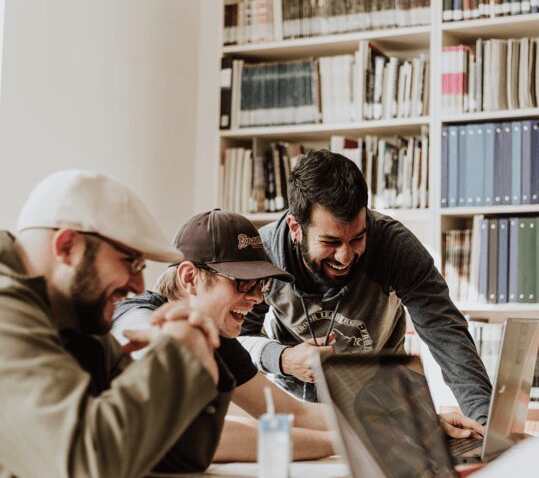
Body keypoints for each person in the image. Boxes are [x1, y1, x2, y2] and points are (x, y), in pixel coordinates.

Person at [0, 170, 233, 478]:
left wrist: (197, 353)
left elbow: (178, 456)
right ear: (67, 247)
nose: (139, 286)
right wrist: (178, 356)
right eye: (130, 263)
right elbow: (87, 465)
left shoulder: (78, 321)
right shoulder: (6, 311)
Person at [239, 149, 492, 428]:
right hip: (298, 411)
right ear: (296, 228)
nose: (345, 257)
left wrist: (484, 425)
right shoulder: (263, 255)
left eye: (357, 238)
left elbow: (447, 334)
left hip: (382, 409)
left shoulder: (394, 246)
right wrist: (283, 358)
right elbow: (237, 339)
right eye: (331, 242)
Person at [112, 209, 335, 462]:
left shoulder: (216, 338)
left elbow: (291, 412)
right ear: (189, 278)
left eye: (260, 284)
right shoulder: (135, 318)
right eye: (243, 282)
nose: (257, 298)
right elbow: (196, 434)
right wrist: (340, 443)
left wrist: (372, 423)